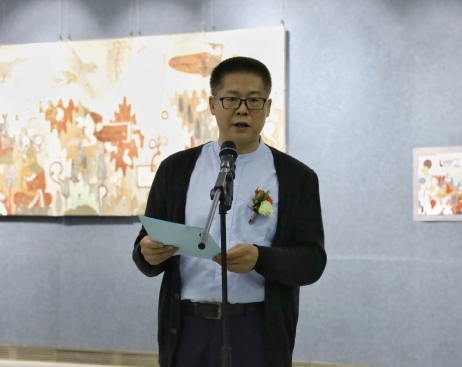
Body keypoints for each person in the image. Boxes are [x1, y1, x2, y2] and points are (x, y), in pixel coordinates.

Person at [132, 56, 326, 367]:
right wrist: (147, 253)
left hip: (257, 330)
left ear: (268, 106)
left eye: (254, 100)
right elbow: (146, 248)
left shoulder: (296, 178)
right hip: (187, 329)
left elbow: (312, 262)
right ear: (212, 104)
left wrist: (260, 259)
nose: (242, 110)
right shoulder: (175, 170)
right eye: (231, 99)